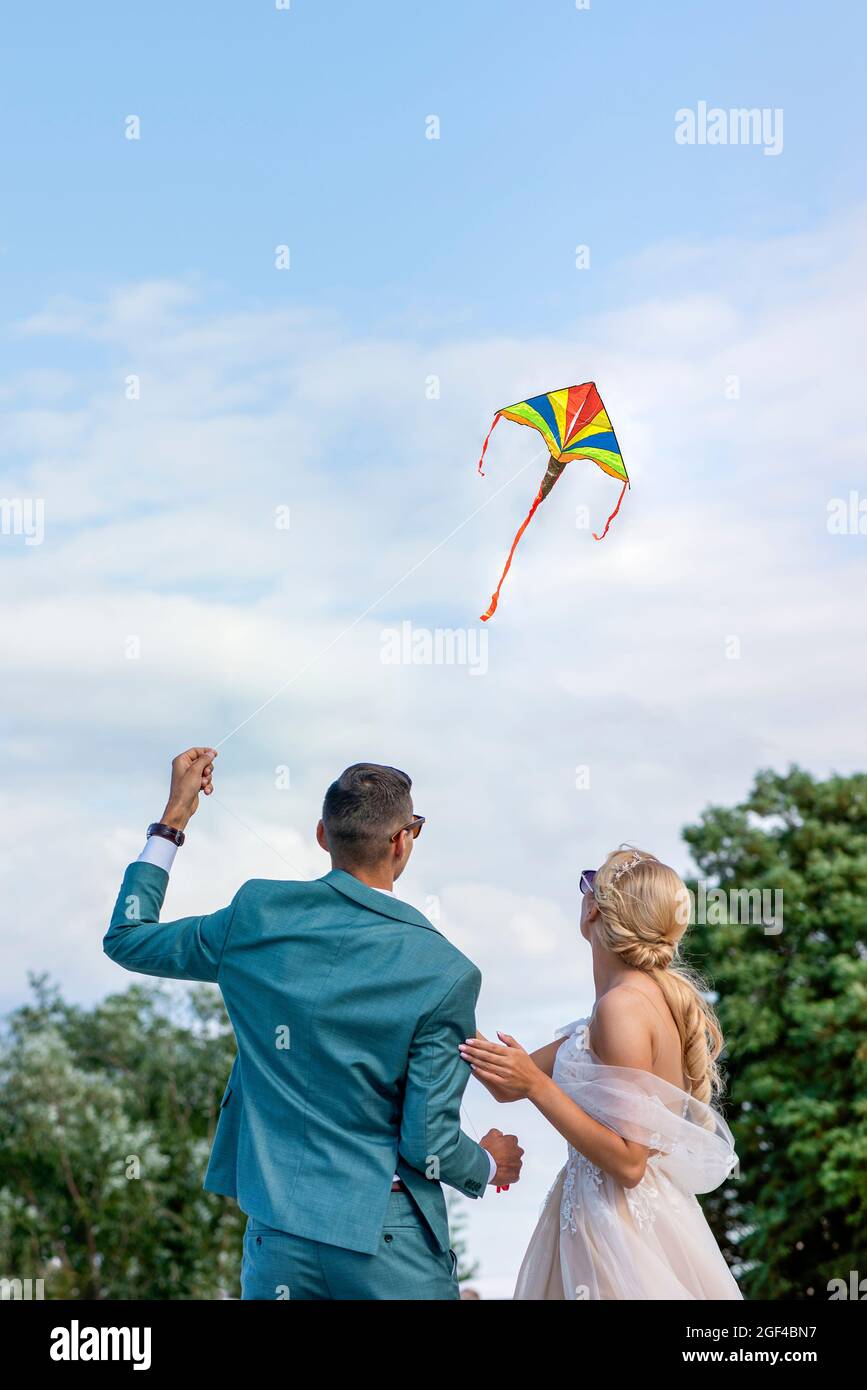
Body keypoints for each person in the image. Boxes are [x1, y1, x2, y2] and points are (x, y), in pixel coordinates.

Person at [104, 747, 523, 1300]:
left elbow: (129, 937)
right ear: (403, 841)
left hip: (278, 1242)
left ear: (323, 836)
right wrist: (491, 1161)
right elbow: (429, 1142)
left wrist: (174, 818)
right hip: (385, 1241)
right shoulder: (446, 973)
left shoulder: (256, 917)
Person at [460, 848, 742, 1300]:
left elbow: (630, 1163)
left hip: (620, 1230)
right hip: (600, 1215)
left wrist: (538, 1088)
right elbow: (505, 1083)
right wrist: (442, 1006)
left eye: (588, 881)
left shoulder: (623, 1009)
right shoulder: (615, 1008)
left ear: (594, 907)